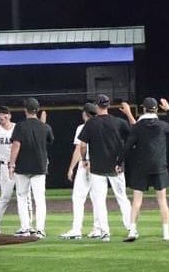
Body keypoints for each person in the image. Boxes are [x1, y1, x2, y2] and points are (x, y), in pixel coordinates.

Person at [121, 97, 169, 242]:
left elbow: (127, 145)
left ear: (144, 109)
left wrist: (118, 161)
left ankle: (132, 230)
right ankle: (166, 233)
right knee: (162, 201)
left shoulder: (138, 127)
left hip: (141, 167)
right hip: (159, 166)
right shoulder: (160, 125)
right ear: (156, 109)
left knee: (137, 200)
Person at [76, 94, 132, 242]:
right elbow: (132, 135)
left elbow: (82, 145)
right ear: (108, 105)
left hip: (97, 168)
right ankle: (131, 228)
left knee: (99, 200)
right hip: (116, 166)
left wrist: (83, 159)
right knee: (122, 198)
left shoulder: (91, 123)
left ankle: (105, 232)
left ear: (96, 105)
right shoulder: (118, 122)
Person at [8, 98, 53, 238]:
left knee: (22, 197)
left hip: (23, 166)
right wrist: (43, 123)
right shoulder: (45, 127)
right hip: (39, 166)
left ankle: (25, 228)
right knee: (39, 199)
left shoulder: (20, 126)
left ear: (25, 110)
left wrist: (12, 163)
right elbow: (48, 140)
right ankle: (40, 229)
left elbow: (16, 145)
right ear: (37, 110)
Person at [62, 103, 100, 240]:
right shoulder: (101, 125)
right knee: (97, 198)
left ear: (86, 114)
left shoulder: (82, 127)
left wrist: (71, 167)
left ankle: (76, 229)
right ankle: (98, 229)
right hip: (99, 165)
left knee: (78, 197)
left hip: (85, 164)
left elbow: (79, 149)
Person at [0, 106, 23, 234]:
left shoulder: (18, 127)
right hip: (4, 166)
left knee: (25, 197)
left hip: (20, 165)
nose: (2, 117)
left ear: (9, 116)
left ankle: (27, 225)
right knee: (5, 196)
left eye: (4, 115)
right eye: (0, 116)